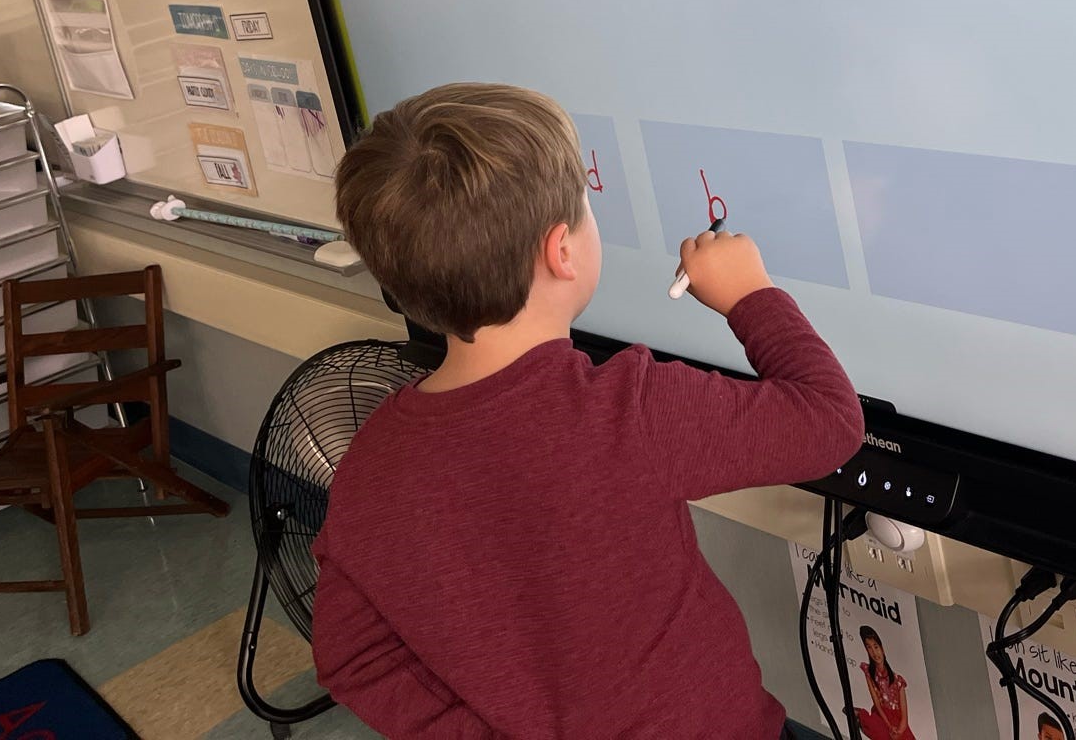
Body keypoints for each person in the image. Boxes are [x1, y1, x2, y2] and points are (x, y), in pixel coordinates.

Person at [310, 83, 864, 738]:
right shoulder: (625, 410)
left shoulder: (372, 460)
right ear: (561, 251)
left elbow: (352, 654)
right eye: (585, 206)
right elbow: (829, 420)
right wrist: (749, 294)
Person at [852, 628, 915, 740]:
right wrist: (889, 726)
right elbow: (877, 703)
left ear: (882, 648)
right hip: (882, 717)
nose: (874, 652)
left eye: (876, 647)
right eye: (869, 648)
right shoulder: (869, 673)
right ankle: (862, 717)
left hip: (899, 722)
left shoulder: (898, 680)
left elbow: (904, 718)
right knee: (881, 731)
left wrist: (898, 732)